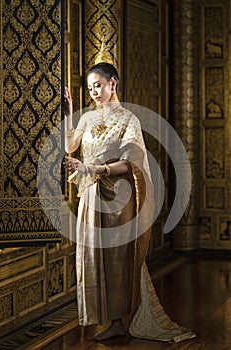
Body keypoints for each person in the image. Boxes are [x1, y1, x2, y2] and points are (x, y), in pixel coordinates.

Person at [64, 60, 196, 343]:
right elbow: (69, 147)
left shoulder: (129, 120)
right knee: (93, 256)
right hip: (90, 195)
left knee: (117, 259)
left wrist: (96, 169)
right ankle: (109, 320)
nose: (94, 92)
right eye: (90, 88)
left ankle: (119, 321)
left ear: (113, 83)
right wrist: (68, 110)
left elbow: (132, 163)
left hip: (117, 200)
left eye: (98, 85)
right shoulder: (86, 118)